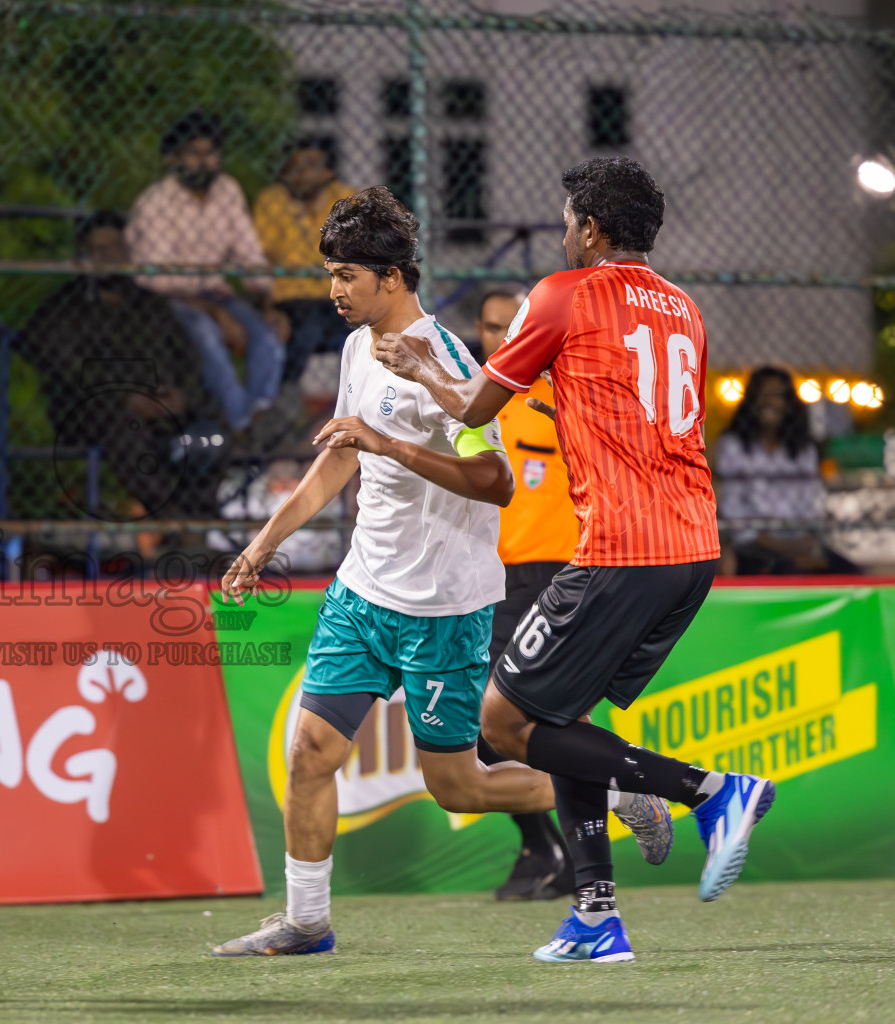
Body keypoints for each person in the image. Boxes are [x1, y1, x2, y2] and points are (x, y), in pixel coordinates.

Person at [211, 186, 668, 957]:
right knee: (309, 752)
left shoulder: (444, 362)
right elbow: (337, 461)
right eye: (329, 272)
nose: (334, 290)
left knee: (456, 785)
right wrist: (263, 545)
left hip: (443, 609)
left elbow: (496, 479)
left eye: (347, 274)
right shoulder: (358, 348)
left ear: (393, 278)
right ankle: (306, 921)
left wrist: (390, 445)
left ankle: (617, 786)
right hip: (362, 594)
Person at [376, 157, 776, 963]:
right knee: (557, 721)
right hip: (693, 546)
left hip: (619, 549)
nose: (564, 232)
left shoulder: (563, 294)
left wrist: (420, 367)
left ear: (590, 229)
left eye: (568, 220)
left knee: (500, 723)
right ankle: (595, 914)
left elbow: (476, 405)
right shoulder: (687, 310)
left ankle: (711, 791)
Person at [473, 288, 593, 902]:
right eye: (491, 327)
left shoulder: (563, 389)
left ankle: (566, 855)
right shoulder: (478, 397)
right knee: (485, 726)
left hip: (558, 572)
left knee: (548, 718)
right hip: (491, 576)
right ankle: (546, 844)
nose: (500, 338)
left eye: (510, 326)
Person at [22, 210, 223, 518]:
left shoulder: (151, 304)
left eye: (115, 248)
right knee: (123, 425)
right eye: (98, 249)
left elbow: (187, 358)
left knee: (211, 427)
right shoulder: (64, 306)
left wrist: (182, 396)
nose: (107, 257)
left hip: (163, 402)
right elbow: (64, 368)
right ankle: (172, 517)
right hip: (97, 409)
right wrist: (126, 398)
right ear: (83, 255)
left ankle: (203, 516)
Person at [126, 110, 284, 438]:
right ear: (173, 159)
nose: (204, 161)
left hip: (217, 292)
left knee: (268, 339)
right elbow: (156, 277)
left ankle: (259, 417)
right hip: (166, 297)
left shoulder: (227, 190)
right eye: (193, 153)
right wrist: (215, 312)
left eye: (210, 153)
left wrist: (265, 301)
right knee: (208, 336)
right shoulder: (156, 202)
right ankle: (241, 424)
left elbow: (248, 252)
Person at [715, 366, 855, 575]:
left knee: (850, 571)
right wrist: (772, 543)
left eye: (777, 396)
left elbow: (812, 503)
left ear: (789, 403)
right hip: (754, 544)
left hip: (801, 540)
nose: (769, 402)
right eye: (763, 395)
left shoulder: (801, 448)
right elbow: (732, 510)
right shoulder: (733, 445)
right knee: (788, 570)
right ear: (751, 401)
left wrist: (805, 543)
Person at [252, 141, 356, 385]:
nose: (299, 172)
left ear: (327, 172)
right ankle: (284, 392)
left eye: (309, 165)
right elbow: (266, 253)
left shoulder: (346, 199)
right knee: (307, 327)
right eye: (293, 165)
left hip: (340, 296)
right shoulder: (272, 200)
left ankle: (367, 400)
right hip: (291, 297)